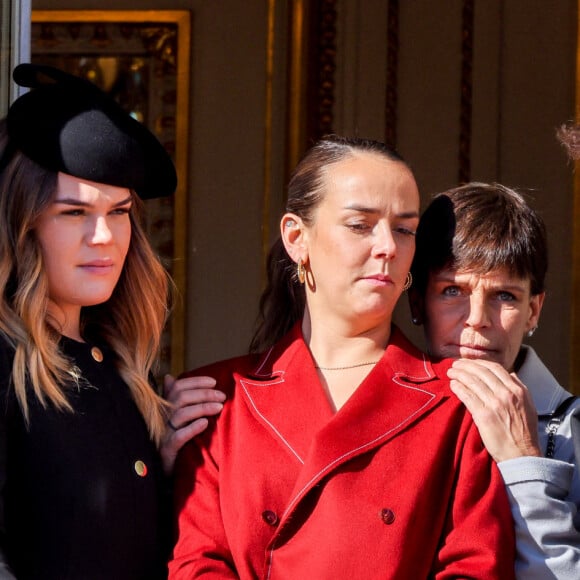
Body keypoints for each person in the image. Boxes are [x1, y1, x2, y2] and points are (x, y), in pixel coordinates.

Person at [168, 135, 515, 578]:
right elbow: (197, 564)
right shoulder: (219, 400)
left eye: (405, 229)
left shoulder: (458, 401)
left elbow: (475, 567)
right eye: (360, 225)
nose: (388, 246)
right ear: (297, 238)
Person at [0, 63, 224, 579]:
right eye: (73, 213)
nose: (104, 236)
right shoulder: (6, 362)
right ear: (21, 222)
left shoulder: (120, 366)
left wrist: (164, 461)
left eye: (119, 211)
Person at [408, 181, 580, 579]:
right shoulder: (381, 413)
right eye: (453, 290)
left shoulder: (572, 432)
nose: (477, 318)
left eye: (505, 296)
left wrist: (525, 464)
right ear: (418, 303)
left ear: (534, 310)